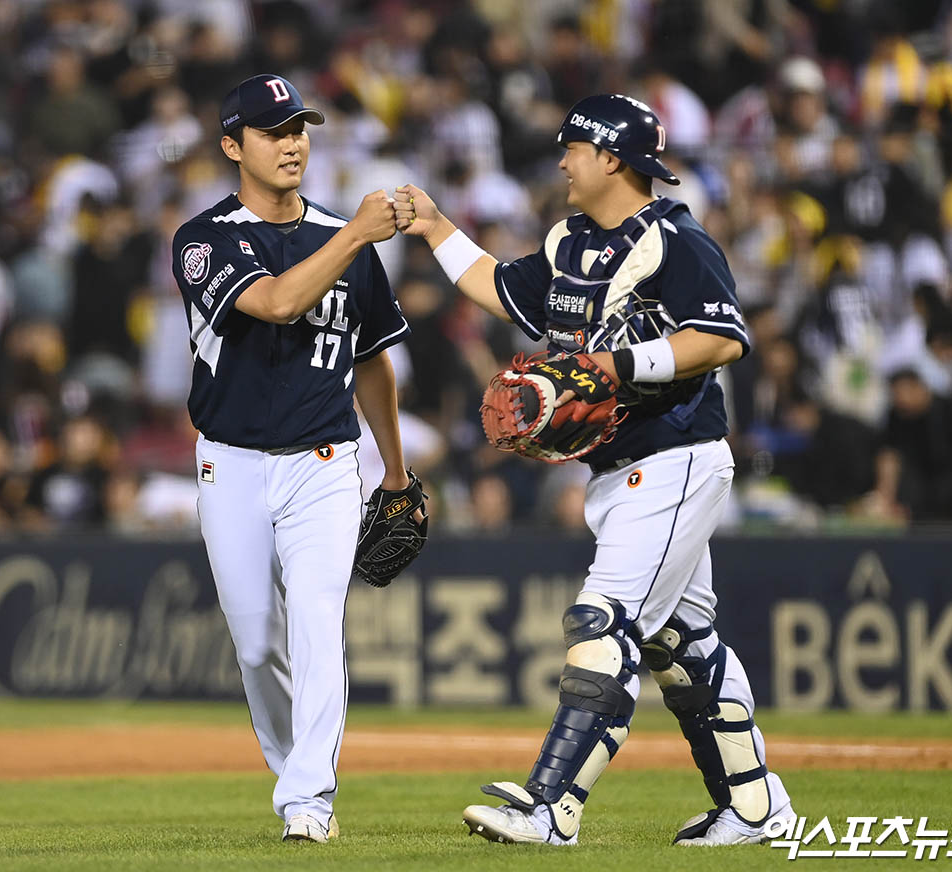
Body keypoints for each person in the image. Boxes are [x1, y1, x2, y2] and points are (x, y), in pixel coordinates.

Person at [394, 94, 795, 846]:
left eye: (572, 147)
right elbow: (496, 285)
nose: (561, 160)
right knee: (680, 641)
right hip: (617, 469)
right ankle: (754, 806)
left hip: (676, 456)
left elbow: (721, 339)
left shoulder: (676, 240)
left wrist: (609, 364)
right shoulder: (569, 242)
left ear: (612, 158)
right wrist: (437, 226)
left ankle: (552, 805)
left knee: (601, 621)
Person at [171, 74, 414, 844]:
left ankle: (309, 801)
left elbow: (372, 361)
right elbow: (275, 301)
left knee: (315, 620)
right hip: (231, 463)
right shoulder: (203, 239)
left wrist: (398, 472)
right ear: (232, 145)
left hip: (323, 462)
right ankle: (293, 771)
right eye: (274, 131)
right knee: (256, 641)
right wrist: (355, 236)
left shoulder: (345, 236)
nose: (293, 143)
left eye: (300, 128)